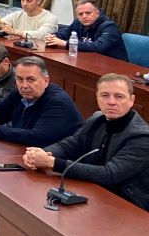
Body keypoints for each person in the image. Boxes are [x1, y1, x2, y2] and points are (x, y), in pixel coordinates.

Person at [23, 74, 149, 211]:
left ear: (131, 100)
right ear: (97, 97)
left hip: (128, 205)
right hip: (93, 190)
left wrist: (52, 163)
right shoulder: (97, 119)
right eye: (105, 95)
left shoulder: (142, 136)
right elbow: (70, 145)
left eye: (119, 96)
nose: (111, 102)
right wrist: (41, 154)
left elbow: (109, 174)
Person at [0, 56, 82, 147]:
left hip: (57, 163)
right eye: (19, 79)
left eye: (31, 80)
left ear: (45, 81)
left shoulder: (58, 102)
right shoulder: (18, 93)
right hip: (24, 152)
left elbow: (36, 138)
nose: (24, 85)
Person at [46, 0, 129, 61]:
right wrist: (53, 37)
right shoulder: (77, 23)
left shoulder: (109, 27)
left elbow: (99, 47)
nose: (84, 16)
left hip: (114, 66)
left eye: (88, 13)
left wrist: (66, 43)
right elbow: (65, 33)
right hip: (89, 61)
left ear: (97, 12)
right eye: (80, 14)